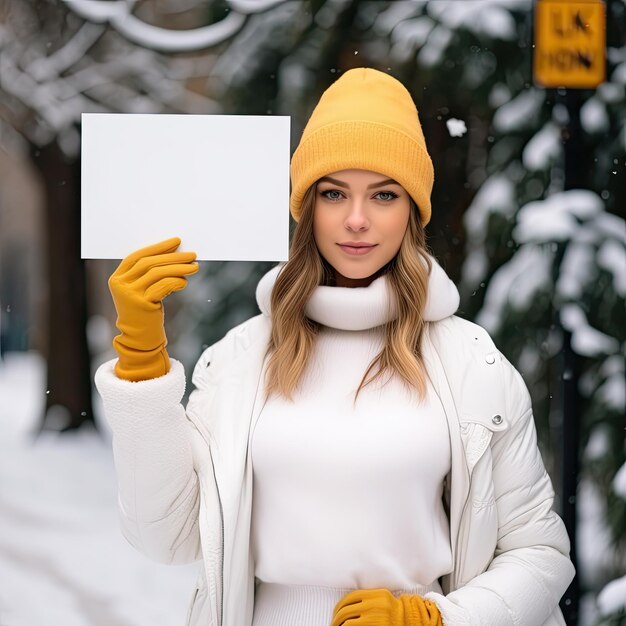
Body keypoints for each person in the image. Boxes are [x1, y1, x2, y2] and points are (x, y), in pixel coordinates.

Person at [95, 68, 575, 626]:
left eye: (384, 195)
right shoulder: (241, 359)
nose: (356, 220)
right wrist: (141, 358)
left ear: (413, 211)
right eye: (333, 192)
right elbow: (166, 537)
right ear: (307, 208)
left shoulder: (473, 365)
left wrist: (433, 619)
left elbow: (539, 554)